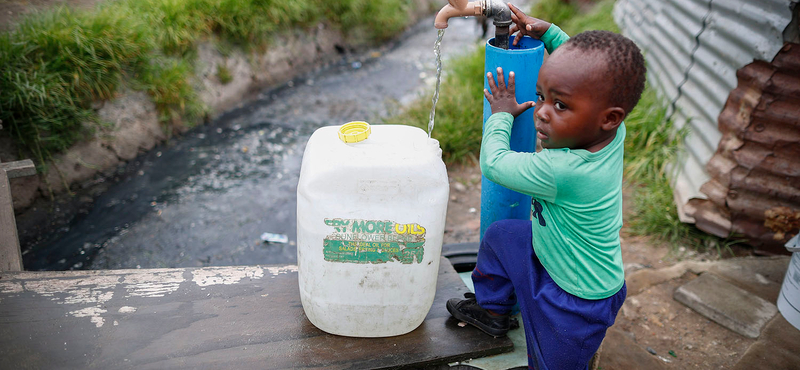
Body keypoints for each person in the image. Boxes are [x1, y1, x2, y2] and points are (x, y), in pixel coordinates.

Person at [445, 3, 647, 370]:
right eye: (541, 96)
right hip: (549, 253)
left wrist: (501, 115)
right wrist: (550, 33)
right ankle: (492, 312)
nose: (541, 111)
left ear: (608, 118)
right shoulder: (613, 132)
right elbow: (587, 77)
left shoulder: (565, 169)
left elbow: (493, 163)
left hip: (576, 301)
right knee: (502, 236)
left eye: (560, 105)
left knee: (553, 364)